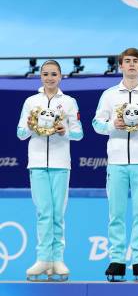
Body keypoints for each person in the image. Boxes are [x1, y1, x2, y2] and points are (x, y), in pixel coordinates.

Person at [92, 48, 138, 282]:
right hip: (116, 162)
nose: (132, 65)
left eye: (135, 61)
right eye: (127, 61)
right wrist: (112, 125)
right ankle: (116, 259)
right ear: (120, 66)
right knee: (116, 213)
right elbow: (96, 123)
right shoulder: (109, 95)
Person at [17, 60, 83, 281]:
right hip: (36, 163)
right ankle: (43, 258)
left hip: (61, 163)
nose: (49, 78)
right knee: (44, 212)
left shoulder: (69, 102)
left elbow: (79, 133)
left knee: (58, 213)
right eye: (45, 74)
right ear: (40, 77)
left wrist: (65, 130)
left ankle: (57, 259)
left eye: (54, 74)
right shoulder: (30, 101)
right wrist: (29, 125)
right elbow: (20, 133)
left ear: (61, 76)